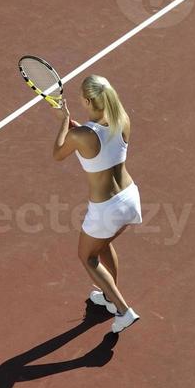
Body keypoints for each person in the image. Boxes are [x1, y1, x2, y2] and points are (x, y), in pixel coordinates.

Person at [51, 75, 141, 332]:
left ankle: (123, 311)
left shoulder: (81, 135)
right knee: (103, 243)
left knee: (87, 256)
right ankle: (110, 298)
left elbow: (58, 153)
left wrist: (62, 123)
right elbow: (97, 142)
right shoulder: (122, 120)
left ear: (88, 100)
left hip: (106, 209)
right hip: (130, 198)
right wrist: (75, 128)